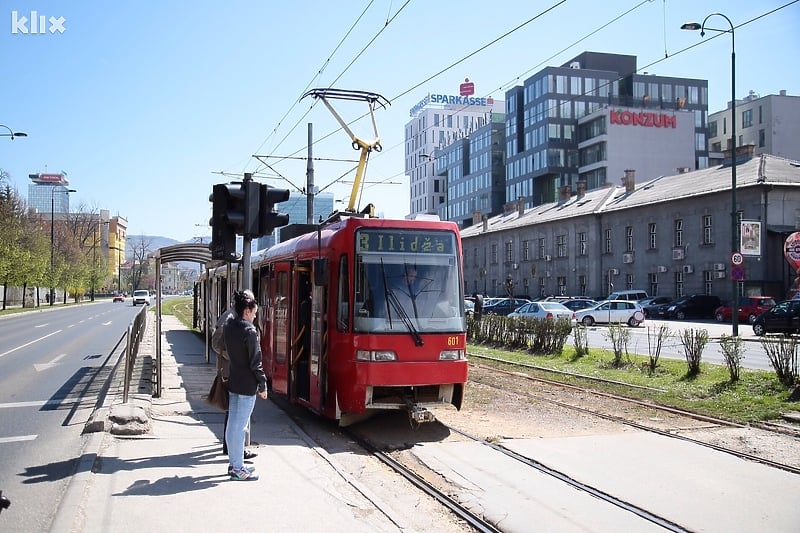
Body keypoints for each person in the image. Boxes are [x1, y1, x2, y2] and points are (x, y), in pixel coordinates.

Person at [222, 290, 268, 481]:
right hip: (248, 384)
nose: (255, 316)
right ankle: (238, 468)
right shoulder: (250, 332)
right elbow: (255, 362)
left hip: (234, 381)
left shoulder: (229, 326)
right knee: (240, 427)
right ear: (247, 311)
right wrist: (263, 385)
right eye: (255, 313)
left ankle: (234, 463)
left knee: (232, 424)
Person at [211, 291, 258, 461]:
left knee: (236, 415)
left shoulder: (239, 318)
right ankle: (233, 452)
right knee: (234, 414)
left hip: (236, 370)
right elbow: (216, 343)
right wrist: (236, 357)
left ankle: (235, 450)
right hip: (230, 370)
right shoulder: (229, 318)